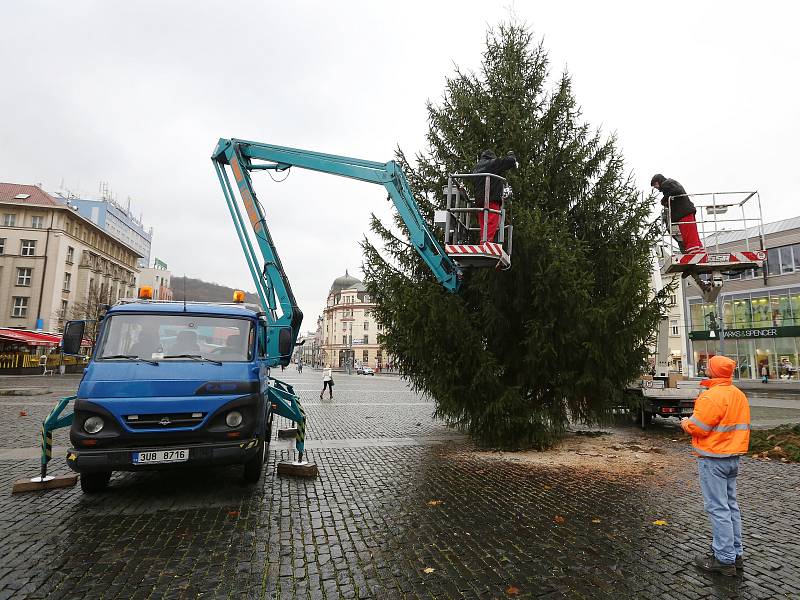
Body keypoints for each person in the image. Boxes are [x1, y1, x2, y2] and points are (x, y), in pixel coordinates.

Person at [681, 355, 750, 577]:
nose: (705, 369)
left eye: (707, 367)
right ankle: (735, 554)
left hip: (713, 459)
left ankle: (724, 559)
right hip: (733, 458)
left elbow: (698, 427)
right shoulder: (738, 395)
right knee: (731, 506)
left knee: (718, 508)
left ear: (713, 371)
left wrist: (684, 422)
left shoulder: (711, 396)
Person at [472, 150, 517, 243]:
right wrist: (511, 156)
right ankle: (486, 242)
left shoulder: (476, 168)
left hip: (479, 200)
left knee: (483, 223)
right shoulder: (492, 163)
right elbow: (509, 162)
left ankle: (483, 241)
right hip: (491, 198)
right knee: (492, 220)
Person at [651, 174, 704, 253]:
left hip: (683, 212)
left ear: (659, 181)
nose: (656, 187)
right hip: (687, 211)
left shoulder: (666, 184)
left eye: (655, 184)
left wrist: (664, 199)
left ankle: (693, 251)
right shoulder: (672, 182)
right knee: (693, 233)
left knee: (688, 233)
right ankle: (700, 250)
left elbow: (677, 191)